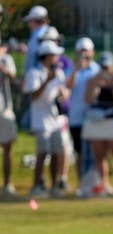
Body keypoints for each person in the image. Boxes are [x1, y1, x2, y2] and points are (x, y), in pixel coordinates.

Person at [23, 40, 71, 198]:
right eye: (55, 54)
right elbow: (34, 95)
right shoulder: (34, 73)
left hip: (55, 119)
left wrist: (64, 93)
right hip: (41, 120)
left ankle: (54, 186)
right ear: (47, 56)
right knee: (42, 153)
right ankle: (37, 186)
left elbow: (63, 90)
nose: (58, 57)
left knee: (57, 153)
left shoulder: (58, 72)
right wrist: (47, 81)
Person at [82, 51, 113, 200]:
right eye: (102, 67)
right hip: (96, 122)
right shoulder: (92, 80)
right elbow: (89, 99)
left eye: (107, 67)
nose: (105, 70)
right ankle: (103, 186)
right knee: (99, 158)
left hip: (112, 120)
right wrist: (96, 82)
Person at [66, 37, 100, 184]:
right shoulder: (71, 69)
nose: (84, 54)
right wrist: (76, 69)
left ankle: (97, 182)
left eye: (86, 51)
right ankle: (83, 182)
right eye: (81, 51)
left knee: (96, 151)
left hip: (95, 117)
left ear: (92, 52)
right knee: (79, 152)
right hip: (76, 117)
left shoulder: (97, 69)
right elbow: (68, 86)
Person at [0, 42, 17, 196]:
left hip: (4, 110)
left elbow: (12, 76)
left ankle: (7, 184)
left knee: (7, 150)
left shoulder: (5, 59)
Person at [23, 5, 49, 73]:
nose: (29, 23)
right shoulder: (43, 32)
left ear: (34, 20)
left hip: (38, 74)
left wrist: (26, 50)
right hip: (38, 73)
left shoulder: (40, 34)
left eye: (30, 21)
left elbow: (38, 54)